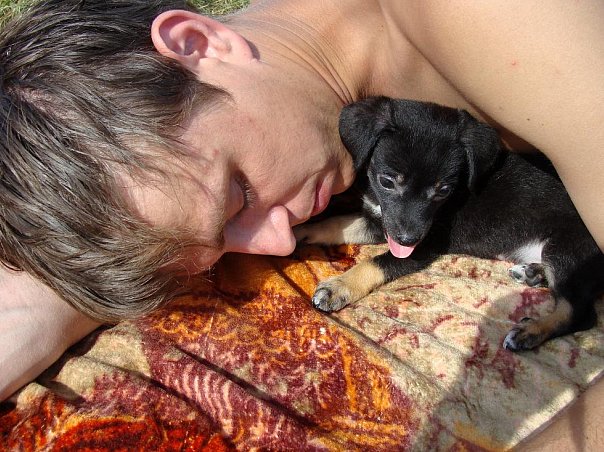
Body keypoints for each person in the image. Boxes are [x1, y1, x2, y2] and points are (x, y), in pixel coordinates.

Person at [0, 0, 602, 401]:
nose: (280, 242)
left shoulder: (496, 19)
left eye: (239, 195)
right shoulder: (266, 102)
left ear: (201, 42)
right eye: (227, 242)